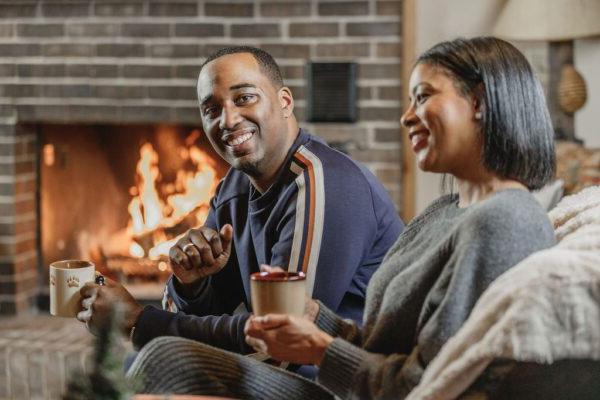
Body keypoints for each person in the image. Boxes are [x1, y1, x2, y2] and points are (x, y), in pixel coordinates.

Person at [126, 37, 558, 399]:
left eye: (423, 97)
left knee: (165, 358)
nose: (406, 116)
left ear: (479, 103)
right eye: (409, 101)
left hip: (349, 390)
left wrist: (320, 348)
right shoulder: (445, 212)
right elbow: (381, 340)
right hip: (351, 378)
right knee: (151, 356)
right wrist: (315, 321)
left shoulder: (505, 221)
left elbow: (433, 384)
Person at [77, 46, 403, 373]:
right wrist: (192, 284)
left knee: (152, 365)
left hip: (338, 380)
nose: (228, 120)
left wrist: (139, 320)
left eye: (244, 98)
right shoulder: (236, 185)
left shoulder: (323, 182)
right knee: (144, 363)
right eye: (211, 109)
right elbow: (186, 314)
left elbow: (281, 344)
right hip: (281, 368)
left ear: (285, 102)